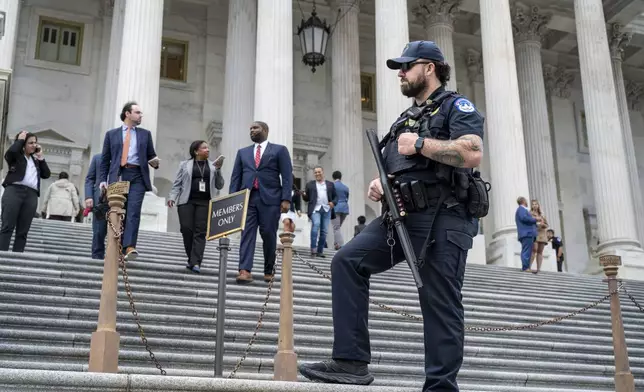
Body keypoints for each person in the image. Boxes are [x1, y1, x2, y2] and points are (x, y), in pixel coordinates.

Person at [298, 40, 484, 391]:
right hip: (401, 218)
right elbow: (399, 163)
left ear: (429, 68)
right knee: (347, 261)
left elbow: (471, 153)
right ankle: (351, 361)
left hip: (444, 219)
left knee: (438, 301)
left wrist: (420, 144)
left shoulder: (455, 106)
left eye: (407, 65)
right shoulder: (405, 118)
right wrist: (381, 183)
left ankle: (440, 387)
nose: (400, 72)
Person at [229, 121, 293, 284]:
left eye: (255, 128)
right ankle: (244, 270)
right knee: (247, 234)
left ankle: (268, 269)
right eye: (250, 128)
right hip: (248, 198)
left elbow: (287, 176)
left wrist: (286, 198)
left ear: (265, 130)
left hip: (270, 199)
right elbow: (236, 177)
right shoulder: (242, 153)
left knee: (268, 234)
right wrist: (233, 199)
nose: (251, 130)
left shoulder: (279, 150)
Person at [99, 101, 160, 261]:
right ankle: (116, 245)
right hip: (119, 175)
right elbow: (105, 160)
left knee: (134, 211)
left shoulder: (145, 134)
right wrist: (102, 180)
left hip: (138, 176)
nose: (141, 116)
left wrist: (155, 162)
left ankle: (129, 246)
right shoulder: (111, 134)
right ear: (127, 114)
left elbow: (151, 155)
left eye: (141, 113)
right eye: (138, 112)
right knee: (118, 210)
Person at [167, 140, 225, 273]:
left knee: (200, 232)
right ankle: (192, 258)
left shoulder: (212, 166)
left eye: (208, 147)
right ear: (196, 151)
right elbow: (177, 184)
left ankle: (196, 262)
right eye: (204, 148)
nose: (208, 150)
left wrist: (218, 170)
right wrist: (172, 197)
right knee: (186, 229)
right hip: (187, 201)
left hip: (205, 203)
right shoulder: (184, 165)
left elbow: (219, 185)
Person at [0, 131, 51, 252]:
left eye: (35, 143)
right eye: (30, 143)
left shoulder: (36, 161)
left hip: (31, 195)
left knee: (23, 231)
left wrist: (41, 157)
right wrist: (20, 140)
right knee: (7, 226)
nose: (34, 145)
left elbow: (46, 174)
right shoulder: (15, 156)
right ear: (23, 144)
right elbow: (10, 153)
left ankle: (17, 258)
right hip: (14, 191)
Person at [302, 166, 338, 258]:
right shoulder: (310, 184)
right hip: (315, 209)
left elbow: (336, 197)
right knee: (316, 225)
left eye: (319, 172)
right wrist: (303, 195)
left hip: (326, 209)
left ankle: (320, 251)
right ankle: (313, 249)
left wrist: (333, 203)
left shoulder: (330, 184)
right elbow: (307, 199)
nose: (317, 174)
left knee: (324, 231)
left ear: (323, 172)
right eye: (315, 172)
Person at [85, 153, 108, 259]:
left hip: (118, 198)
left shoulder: (123, 159)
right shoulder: (97, 158)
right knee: (98, 230)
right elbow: (90, 179)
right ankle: (97, 256)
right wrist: (89, 196)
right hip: (100, 199)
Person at [515, 196, 537, 272]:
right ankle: (525, 267)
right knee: (526, 250)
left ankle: (527, 267)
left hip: (528, 233)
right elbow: (524, 218)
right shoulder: (521, 209)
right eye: (526, 201)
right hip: (526, 233)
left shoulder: (522, 210)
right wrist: (535, 219)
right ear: (524, 201)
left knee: (528, 250)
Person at [330, 170, 349, 250]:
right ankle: (336, 243)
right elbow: (347, 198)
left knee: (336, 227)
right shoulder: (345, 187)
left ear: (333, 177)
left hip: (336, 208)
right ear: (341, 177)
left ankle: (341, 245)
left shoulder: (332, 186)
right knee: (337, 227)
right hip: (344, 208)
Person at [529, 199, 548, 274]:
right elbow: (527, 223)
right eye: (533, 204)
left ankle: (538, 269)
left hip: (542, 234)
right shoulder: (529, 213)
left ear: (538, 205)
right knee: (534, 250)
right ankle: (529, 267)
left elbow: (547, 224)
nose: (534, 205)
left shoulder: (542, 214)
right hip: (534, 233)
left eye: (536, 204)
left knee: (540, 251)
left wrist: (543, 225)